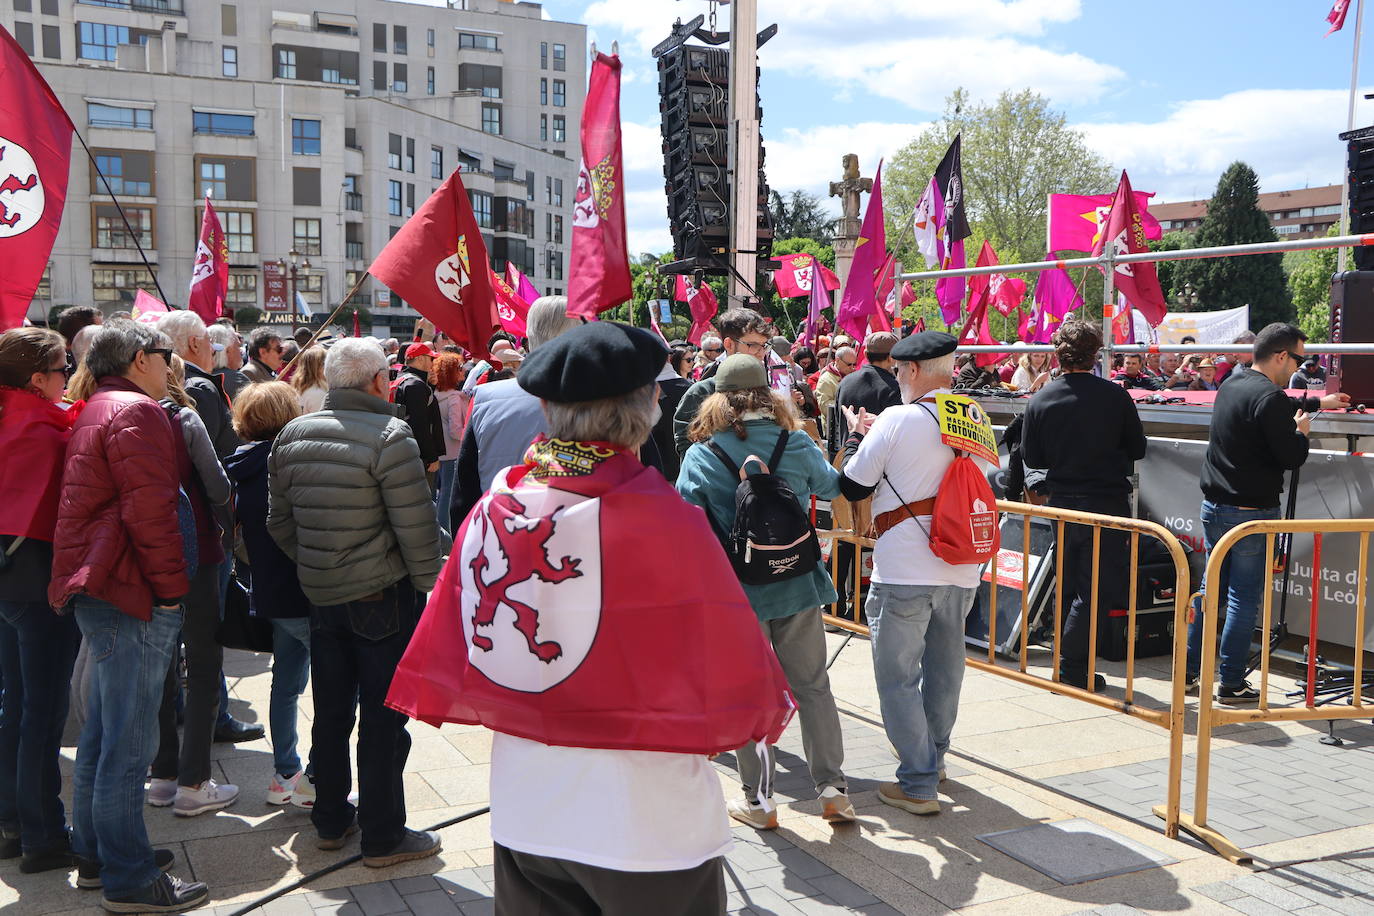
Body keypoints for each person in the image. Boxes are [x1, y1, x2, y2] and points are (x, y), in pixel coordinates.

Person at [387, 322, 794, 914]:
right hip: (645, 822)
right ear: (649, 408)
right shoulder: (666, 525)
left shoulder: (497, 506)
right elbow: (728, 668)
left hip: (527, 808)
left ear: (548, 410)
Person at [49, 320, 207, 911]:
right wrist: (170, 593)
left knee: (105, 736)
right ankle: (129, 876)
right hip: (128, 591)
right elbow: (151, 513)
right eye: (165, 356)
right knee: (127, 745)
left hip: (106, 586)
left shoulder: (100, 404)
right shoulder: (136, 411)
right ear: (143, 358)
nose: (172, 368)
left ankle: (99, 855)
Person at [268, 338, 443, 866]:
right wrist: (427, 586)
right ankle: (384, 833)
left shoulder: (293, 432)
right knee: (383, 718)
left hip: (324, 594)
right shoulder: (391, 435)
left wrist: (320, 562)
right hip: (381, 596)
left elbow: (279, 523)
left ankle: (330, 819)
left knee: (331, 711)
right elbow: (417, 531)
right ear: (377, 381)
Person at [676, 354, 853, 829]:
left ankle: (760, 802)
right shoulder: (794, 441)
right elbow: (833, 485)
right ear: (768, 395)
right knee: (813, 685)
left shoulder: (701, 453)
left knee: (746, 693)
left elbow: (684, 521)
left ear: (718, 399)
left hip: (735, 593)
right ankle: (833, 788)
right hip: (798, 581)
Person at [836, 331, 984, 815]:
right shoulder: (974, 415)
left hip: (904, 566)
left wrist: (859, 432)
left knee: (898, 677)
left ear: (914, 371)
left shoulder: (897, 419)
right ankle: (934, 761)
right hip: (962, 563)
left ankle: (917, 782)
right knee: (946, 670)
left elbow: (854, 485)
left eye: (898, 372)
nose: (896, 379)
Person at [1184, 324, 1316, 704]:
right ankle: (1230, 682)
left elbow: (1261, 418)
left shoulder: (1232, 383)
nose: (1298, 367)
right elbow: (1291, 456)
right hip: (1249, 513)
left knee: (1211, 593)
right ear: (1280, 356)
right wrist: (1302, 433)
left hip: (1215, 507)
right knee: (1242, 599)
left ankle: (1191, 673)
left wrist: (1314, 406)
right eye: (1298, 359)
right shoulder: (1271, 398)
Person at [1021, 320, 1146, 691]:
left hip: (1063, 504)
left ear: (1058, 355)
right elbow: (1138, 449)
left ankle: (1070, 663)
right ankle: (1072, 668)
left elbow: (1031, 454)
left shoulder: (1042, 398)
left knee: (1073, 584)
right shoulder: (1115, 396)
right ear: (1095, 354)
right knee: (1093, 591)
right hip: (1104, 504)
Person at [0, 328, 81, 873]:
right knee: (41, 714)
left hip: (11, 585)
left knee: (17, 707)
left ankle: (12, 821)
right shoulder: (38, 427)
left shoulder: (15, 416)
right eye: (62, 367)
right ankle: (43, 834)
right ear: (37, 379)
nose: (68, 376)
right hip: (36, 585)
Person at [149, 355, 237, 817]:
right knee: (202, 665)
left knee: (161, 666)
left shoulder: (109, 413)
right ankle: (193, 781)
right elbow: (219, 487)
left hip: (145, 556)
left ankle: (161, 775)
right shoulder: (183, 418)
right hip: (197, 553)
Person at [224, 383, 315, 806]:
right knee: (336, 684)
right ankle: (312, 778)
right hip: (305, 590)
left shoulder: (241, 466)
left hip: (270, 591)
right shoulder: (287, 463)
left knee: (287, 683)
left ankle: (284, 774)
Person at [449, 297, 581, 529]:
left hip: (498, 542)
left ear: (529, 338)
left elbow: (462, 499)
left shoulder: (484, 398)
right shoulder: (611, 401)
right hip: (579, 549)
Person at [160, 311, 242, 458]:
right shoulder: (198, 388)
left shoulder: (162, 380)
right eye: (208, 340)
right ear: (194, 344)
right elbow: (207, 456)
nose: (212, 349)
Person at [393, 342, 444, 487]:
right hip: (418, 456)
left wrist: (431, 386)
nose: (433, 363)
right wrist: (431, 457)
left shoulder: (402, 378)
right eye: (431, 358)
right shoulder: (416, 385)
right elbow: (420, 424)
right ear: (420, 359)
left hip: (404, 450)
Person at [431, 352, 468, 530]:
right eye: (460, 368)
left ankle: (441, 530)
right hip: (453, 451)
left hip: (440, 450)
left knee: (441, 493)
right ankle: (446, 531)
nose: (463, 372)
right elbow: (455, 430)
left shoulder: (436, 394)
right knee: (447, 493)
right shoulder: (454, 397)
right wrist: (469, 437)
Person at [652, 352, 693, 483]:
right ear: (669, 359)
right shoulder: (691, 388)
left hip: (657, 467)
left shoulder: (642, 391)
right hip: (688, 465)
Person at [814, 346, 856, 423]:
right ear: (838, 360)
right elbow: (825, 408)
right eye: (849, 364)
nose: (852, 368)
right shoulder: (826, 380)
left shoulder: (854, 375)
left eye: (854, 364)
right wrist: (849, 405)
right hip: (834, 428)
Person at [208, 324, 250, 401]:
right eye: (238, 346)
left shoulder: (196, 376)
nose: (241, 350)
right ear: (227, 351)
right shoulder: (236, 380)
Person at [290, 345, 329, 413]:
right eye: (327, 363)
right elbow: (321, 420)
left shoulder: (300, 388)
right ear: (318, 367)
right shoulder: (317, 393)